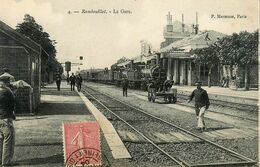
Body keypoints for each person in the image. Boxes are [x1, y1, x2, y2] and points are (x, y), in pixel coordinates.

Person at [0, 75, 16, 166]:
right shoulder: (7, 92)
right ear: (6, 83)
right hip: (6, 118)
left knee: (1, 140)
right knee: (8, 140)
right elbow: (13, 103)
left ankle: (0, 159)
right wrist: (13, 92)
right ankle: (6, 161)